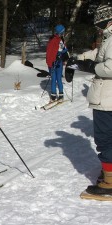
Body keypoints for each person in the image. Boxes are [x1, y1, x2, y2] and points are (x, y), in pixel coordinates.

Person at [67, 4, 112, 196]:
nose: (98, 28)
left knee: (105, 139)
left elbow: (109, 66)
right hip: (107, 96)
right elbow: (98, 54)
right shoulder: (109, 38)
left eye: (99, 24)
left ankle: (109, 183)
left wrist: (89, 67)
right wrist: (77, 60)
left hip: (107, 98)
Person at [46, 24, 69, 103]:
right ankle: (54, 96)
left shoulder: (58, 39)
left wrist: (61, 54)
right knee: (55, 79)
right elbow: (51, 52)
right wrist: (59, 54)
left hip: (57, 62)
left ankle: (59, 95)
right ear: (60, 32)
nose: (63, 33)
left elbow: (64, 50)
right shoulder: (55, 40)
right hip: (54, 63)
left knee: (57, 78)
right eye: (62, 32)